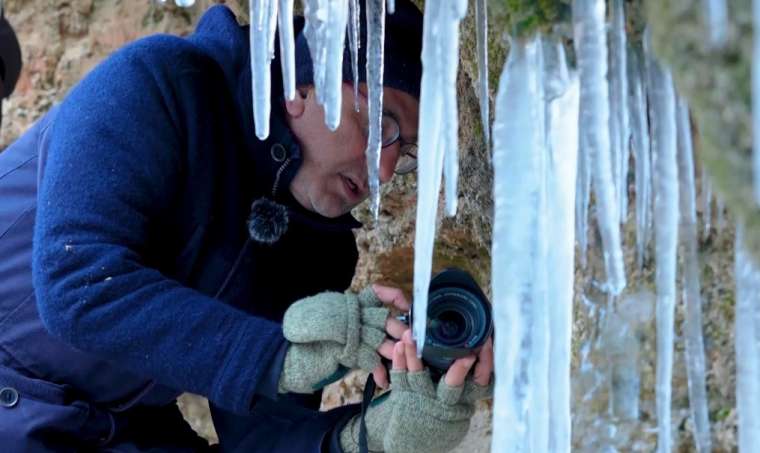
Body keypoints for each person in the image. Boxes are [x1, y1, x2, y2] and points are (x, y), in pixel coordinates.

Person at [0, 1, 492, 452]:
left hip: (107, 427)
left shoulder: (317, 248)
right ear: (305, 86)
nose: (384, 170)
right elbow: (78, 286)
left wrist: (369, 436)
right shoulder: (157, 84)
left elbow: (261, 433)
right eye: (382, 125)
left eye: (404, 151)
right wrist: (281, 357)